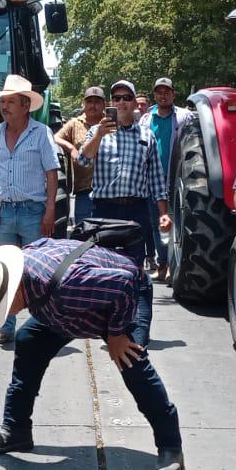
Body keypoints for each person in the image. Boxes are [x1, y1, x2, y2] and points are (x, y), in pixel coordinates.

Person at [0, 240, 185, 470]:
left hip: (123, 300)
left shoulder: (68, 286)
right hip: (61, 309)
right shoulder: (16, 278)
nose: (4, 314)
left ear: (15, 288)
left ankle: (170, 447)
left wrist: (116, 334)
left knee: (132, 361)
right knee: (29, 341)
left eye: (4, 307)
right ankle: (15, 431)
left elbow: (126, 283)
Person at [77, 81, 169, 343]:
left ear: (133, 102)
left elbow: (156, 179)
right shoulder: (97, 131)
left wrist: (163, 212)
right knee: (103, 270)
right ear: (111, 102)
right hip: (104, 210)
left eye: (127, 97)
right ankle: (110, 326)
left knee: (136, 272)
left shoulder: (145, 136)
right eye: (116, 98)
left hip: (136, 211)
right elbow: (82, 161)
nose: (121, 102)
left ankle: (138, 331)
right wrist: (97, 136)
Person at [0, 74, 60, 344]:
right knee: (3, 271)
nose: (5, 106)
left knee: (37, 271)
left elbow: (52, 174)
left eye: (11, 101)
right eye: (3, 101)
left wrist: (50, 211)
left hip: (32, 212)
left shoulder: (41, 133)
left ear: (26, 105)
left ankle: (41, 326)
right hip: (2, 214)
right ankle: (5, 327)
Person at [139, 77, 194, 280]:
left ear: (173, 94)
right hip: (152, 180)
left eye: (166, 91)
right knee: (157, 224)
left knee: (176, 222)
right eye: (159, 92)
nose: (163, 95)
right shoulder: (146, 118)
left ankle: (173, 265)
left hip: (177, 178)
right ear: (154, 95)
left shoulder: (184, 116)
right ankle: (161, 264)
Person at [54, 86, 105, 221]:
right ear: (84, 103)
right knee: (84, 234)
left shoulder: (110, 123)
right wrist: (71, 148)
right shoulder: (75, 124)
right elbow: (56, 137)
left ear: (104, 104)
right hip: (84, 189)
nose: (93, 105)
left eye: (97, 102)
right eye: (89, 101)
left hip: (108, 192)